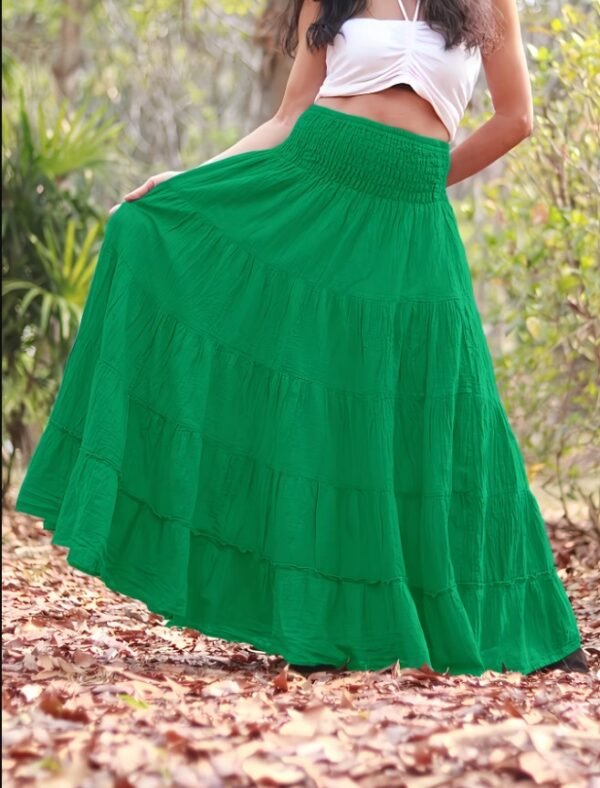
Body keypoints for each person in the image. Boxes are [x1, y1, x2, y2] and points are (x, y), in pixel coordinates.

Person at [15, 0, 588, 676]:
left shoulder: (487, 3)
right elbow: (289, 116)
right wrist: (192, 180)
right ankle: (322, 627)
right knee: (320, 410)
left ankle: (523, 629)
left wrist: (425, 175)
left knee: (453, 410)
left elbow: (516, 118)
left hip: (410, 219)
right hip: (314, 193)